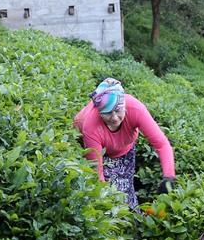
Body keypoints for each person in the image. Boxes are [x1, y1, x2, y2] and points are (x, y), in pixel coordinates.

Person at [73, 78, 175, 210]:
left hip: (125, 149)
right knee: (113, 197)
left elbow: (161, 144)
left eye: (118, 110)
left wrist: (169, 176)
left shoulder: (135, 109)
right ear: (100, 113)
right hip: (98, 152)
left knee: (127, 190)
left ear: (124, 105)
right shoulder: (91, 126)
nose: (114, 117)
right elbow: (97, 174)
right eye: (108, 113)